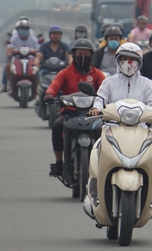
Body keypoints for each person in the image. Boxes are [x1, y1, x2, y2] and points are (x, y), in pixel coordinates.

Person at [44, 38, 106, 177]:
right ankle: (59, 162)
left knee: (105, 130)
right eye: (79, 54)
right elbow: (54, 85)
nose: (82, 57)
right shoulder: (65, 73)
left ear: (91, 56)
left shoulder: (97, 74)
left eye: (86, 54)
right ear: (73, 55)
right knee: (57, 126)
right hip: (70, 113)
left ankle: (103, 161)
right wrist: (49, 94)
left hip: (92, 113)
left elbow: (106, 89)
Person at [89, 43, 152, 117]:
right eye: (124, 58)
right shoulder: (108, 82)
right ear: (118, 60)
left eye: (132, 59)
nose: (129, 62)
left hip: (140, 127)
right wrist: (96, 108)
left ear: (139, 62)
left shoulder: (147, 84)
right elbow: (101, 98)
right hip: (112, 125)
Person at [1, 18, 39, 92]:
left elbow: (38, 50)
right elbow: (9, 49)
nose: (24, 30)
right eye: (22, 28)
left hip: (30, 60)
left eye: (26, 28)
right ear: (18, 29)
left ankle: (37, 87)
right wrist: (10, 52)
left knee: (39, 68)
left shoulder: (33, 39)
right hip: (17, 59)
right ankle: (10, 84)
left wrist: (36, 53)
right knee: (7, 66)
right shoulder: (14, 39)